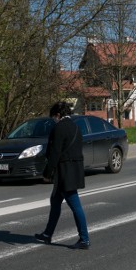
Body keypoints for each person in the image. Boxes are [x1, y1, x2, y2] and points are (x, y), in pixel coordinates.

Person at [34, 101, 90, 249]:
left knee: (75, 205)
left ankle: (84, 239)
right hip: (74, 169)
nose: (53, 119)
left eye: (53, 116)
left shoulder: (59, 128)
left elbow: (55, 153)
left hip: (65, 172)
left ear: (58, 115)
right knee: (55, 201)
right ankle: (47, 234)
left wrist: (47, 173)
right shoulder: (76, 127)